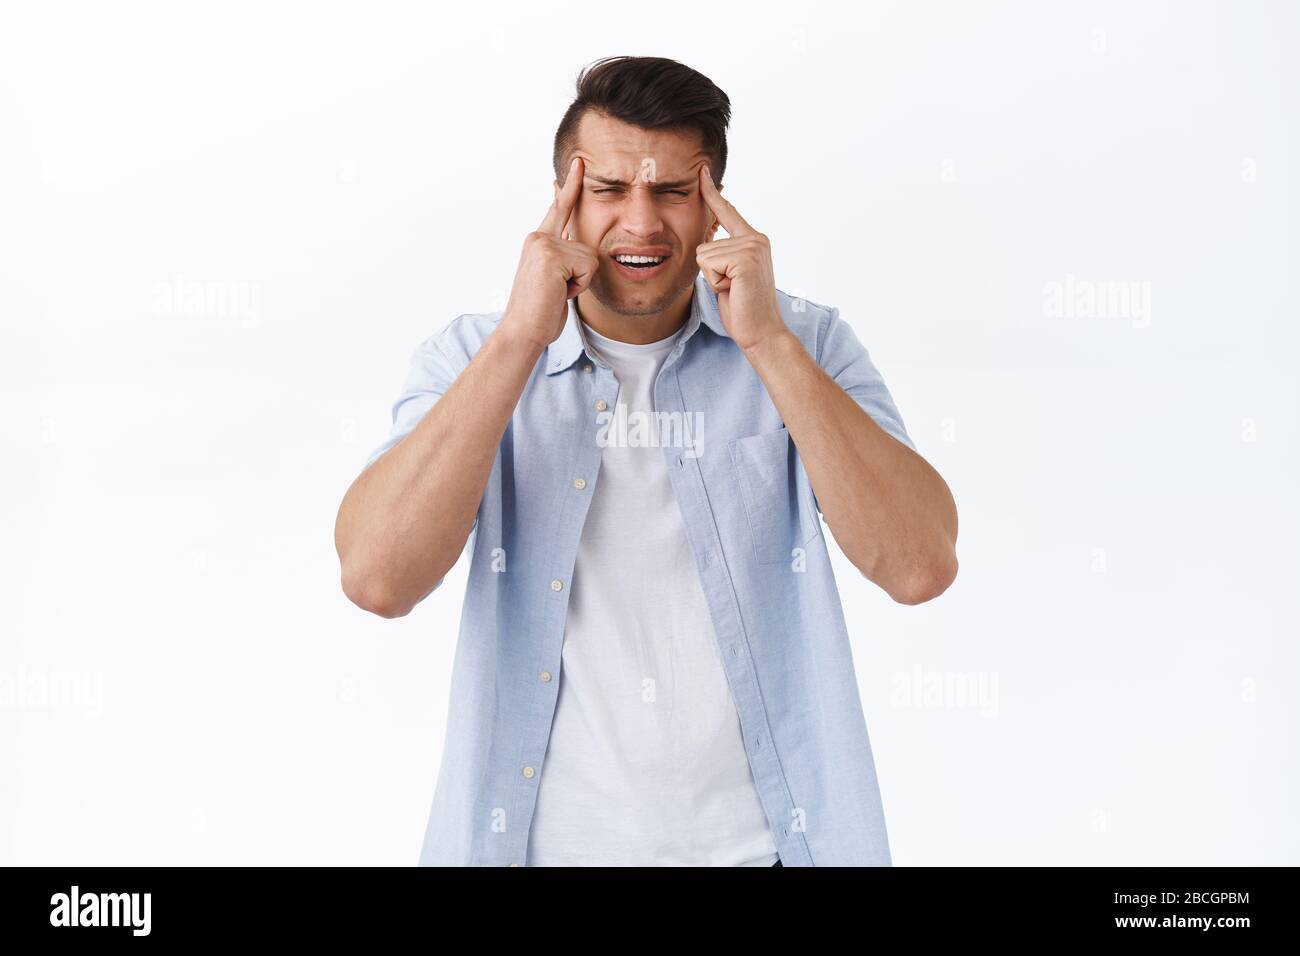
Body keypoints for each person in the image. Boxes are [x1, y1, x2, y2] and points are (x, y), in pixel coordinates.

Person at [334, 56, 958, 867]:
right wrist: (521, 341)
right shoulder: (469, 357)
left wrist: (768, 345)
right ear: (562, 203)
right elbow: (378, 580)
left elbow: (919, 566)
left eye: (671, 192)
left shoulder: (806, 344)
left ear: (714, 208)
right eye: (608, 191)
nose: (640, 223)